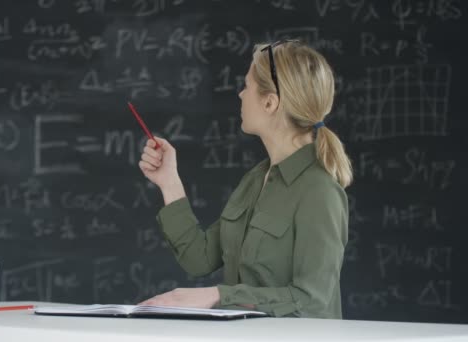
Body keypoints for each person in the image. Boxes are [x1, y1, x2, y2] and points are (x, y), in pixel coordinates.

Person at [137, 39, 352, 318]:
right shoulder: (255, 180)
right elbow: (199, 259)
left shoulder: (319, 191)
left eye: (247, 86)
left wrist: (218, 296)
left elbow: (311, 299)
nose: (240, 94)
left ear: (270, 102)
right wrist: (169, 182)